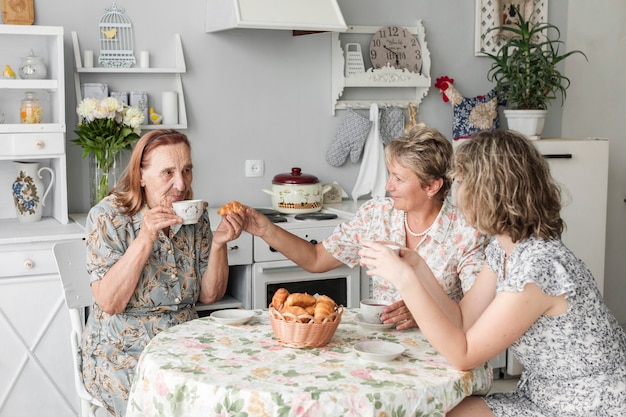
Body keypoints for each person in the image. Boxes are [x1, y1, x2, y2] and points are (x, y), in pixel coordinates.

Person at [359, 129, 626, 416]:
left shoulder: (537, 266)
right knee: (428, 410)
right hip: (544, 395)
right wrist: (418, 267)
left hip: (588, 405)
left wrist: (404, 278)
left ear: (489, 193)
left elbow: (463, 354)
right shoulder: (504, 249)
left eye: (461, 182)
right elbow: (463, 320)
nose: (456, 193)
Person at [244, 125, 489, 329]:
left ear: (432, 186)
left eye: (399, 179)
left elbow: (477, 315)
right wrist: (266, 230)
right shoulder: (377, 215)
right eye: (390, 175)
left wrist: (424, 314)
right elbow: (316, 259)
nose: (388, 186)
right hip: (379, 346)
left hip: (441, 350)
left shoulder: (466, 232)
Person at [81, 129, 244, 416]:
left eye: (186, 170)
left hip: (186, 346)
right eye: (167, 172)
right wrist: (145, 237)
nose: (180, 184)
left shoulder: (195, 215)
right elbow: (110, 302)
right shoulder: (108, 217)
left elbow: (209, 295)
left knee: (233, 394)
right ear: (140, 176)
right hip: (124, 354)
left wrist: (219, 245)